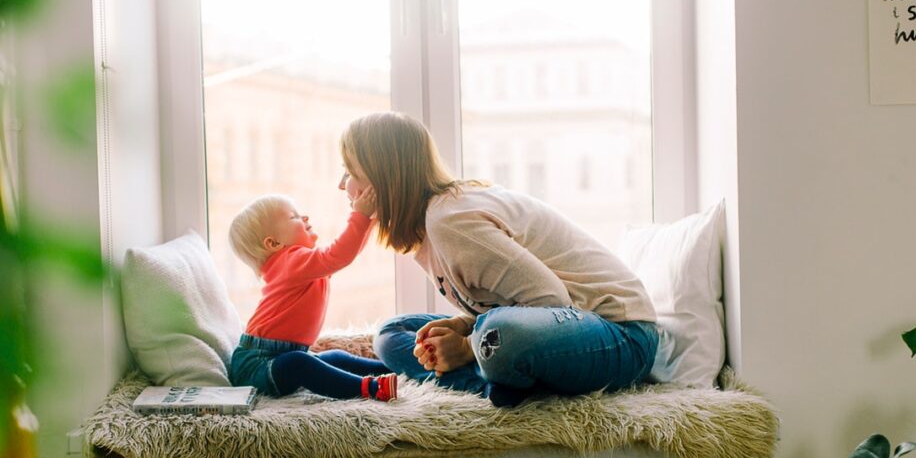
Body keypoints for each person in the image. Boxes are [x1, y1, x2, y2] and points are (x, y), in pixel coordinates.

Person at [337, 111, 658, 407]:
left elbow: (552, 300)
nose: (342, 185)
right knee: (392, 334)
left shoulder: (450, 221)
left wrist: (465, 346)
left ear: (384, 179)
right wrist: (466, 327)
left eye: (350, 172)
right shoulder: (429, 228)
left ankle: (491, 374)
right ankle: (497, 383)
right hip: (553, 327)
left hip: (621, 335)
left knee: (498, 334)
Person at [228, 189, 399, 402]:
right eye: (294, 217)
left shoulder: (299, 264)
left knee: (335, 357)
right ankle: (370, 388)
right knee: (299, 364)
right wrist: (361, 217)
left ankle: (393, 370)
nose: (305, 217)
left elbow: (345, 255)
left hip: (280, 355)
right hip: (256, 366)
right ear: (273, 244)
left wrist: (370, 221)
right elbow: (339, 255)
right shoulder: (291, 261)